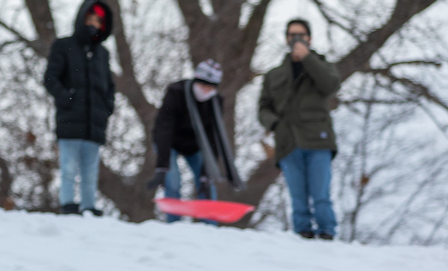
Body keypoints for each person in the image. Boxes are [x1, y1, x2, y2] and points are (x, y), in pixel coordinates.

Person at [258, 18, 341, 240]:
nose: (296, 38)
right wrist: (273, 124)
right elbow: (263, 107)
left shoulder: (323, 66)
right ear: (286, 38)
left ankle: (327, 233)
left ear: (309, 38)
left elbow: (331, 86)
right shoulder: (274, 75)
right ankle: (302, 234)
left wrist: (307, 58)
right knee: (297, 196)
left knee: (320, 194)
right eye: (292, 34)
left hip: (318, 140)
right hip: (288, 141)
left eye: (301, 34)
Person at [145, 60, 244, 221]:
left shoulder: (215, 101)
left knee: (206, 183)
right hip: (169, 143)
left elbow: (213, 137)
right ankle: (173, 224)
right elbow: (164, 128)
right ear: (196, 81)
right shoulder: (176, 92)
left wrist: (206, 174)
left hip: (195, 146)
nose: (206, 90)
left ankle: (209, 226)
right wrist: (162, 167)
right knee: (173, 182)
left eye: (210, 87)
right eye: (203, 85)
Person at [43, 0, 115, 216]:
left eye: (98, 21)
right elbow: (50, 78)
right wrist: (68, 99)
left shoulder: (103, 53)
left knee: (90, 170)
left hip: (95, 121)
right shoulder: (63, 46)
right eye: (90, 19)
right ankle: (68, 204)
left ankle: (89, 205)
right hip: (70, 119)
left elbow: (109, 86)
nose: (93, 24)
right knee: (68, 167)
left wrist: (107, 107)